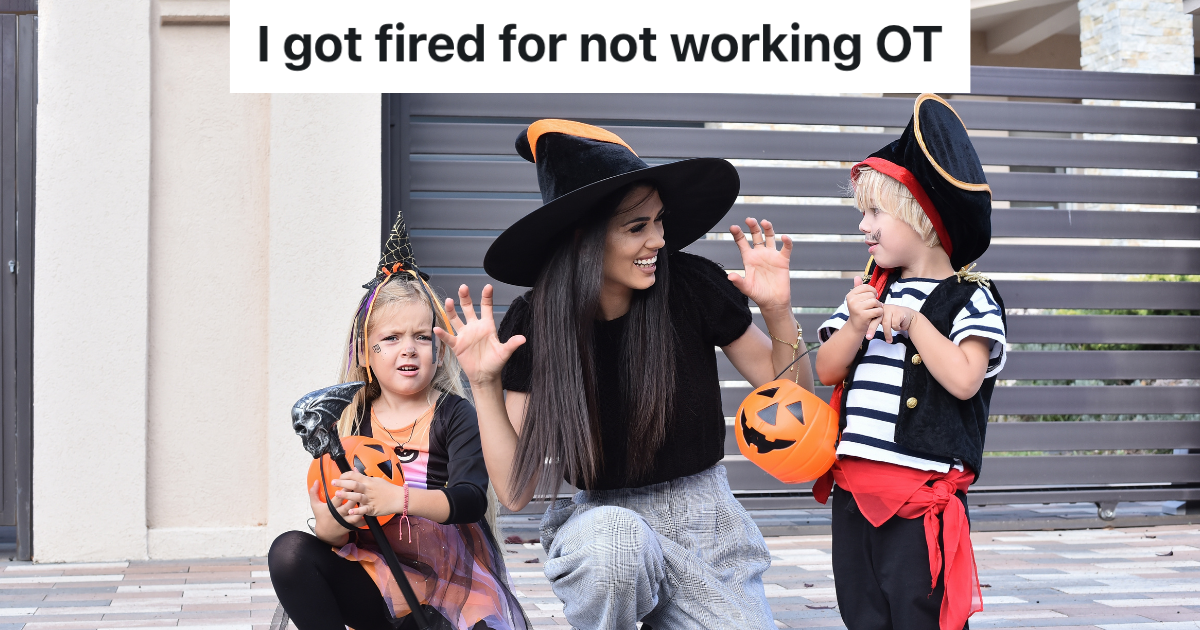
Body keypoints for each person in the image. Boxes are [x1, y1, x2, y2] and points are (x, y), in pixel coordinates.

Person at [433, 119, 815, 629]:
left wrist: (778, 312)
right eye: (637, 227)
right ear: (584, 237)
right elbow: (514, 492)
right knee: (618, 544)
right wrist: (483, 383)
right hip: (602, 529)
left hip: (706, 525)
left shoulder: (691, 285)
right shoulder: (536, 322)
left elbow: (795, 402)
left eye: (659, 221)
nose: (658, 238)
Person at [267, 211, 528, 630]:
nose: (408, 349)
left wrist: (396, 498)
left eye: (421, 337)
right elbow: (335, 537)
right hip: (378, 575)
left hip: (445, 587)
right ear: (366, 355)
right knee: (289, 552)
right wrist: (336, 517)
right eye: (390, 339)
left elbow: (469, 500)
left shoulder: (452, 415)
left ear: (438, 350)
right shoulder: (350, 420)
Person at [813, 94, 1008, 630]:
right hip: (854, 491)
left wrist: (917, 324)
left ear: (921, 217)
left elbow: (967, 380)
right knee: (862, 612)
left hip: (917, 500)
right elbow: (827, 371)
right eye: (862, 215)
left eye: (875, 212)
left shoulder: (971, 298)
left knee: (918, 614)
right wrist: (855, 325)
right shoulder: (870, 292)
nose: (864, 227)